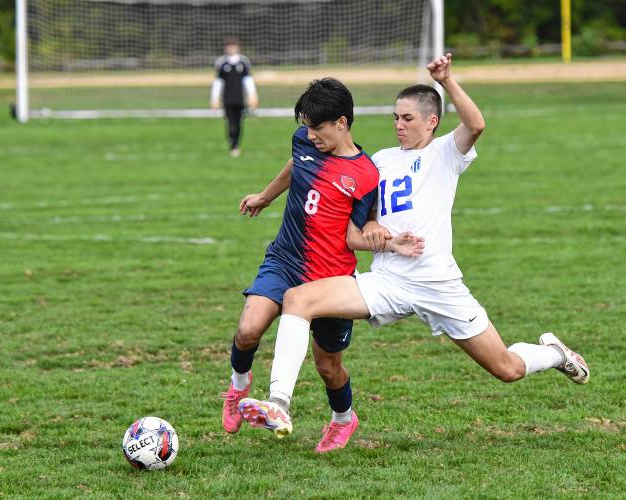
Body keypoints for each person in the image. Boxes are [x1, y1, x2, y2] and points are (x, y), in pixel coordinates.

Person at [239, 53, 590, 453]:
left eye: (407, 118)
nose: (398, 124)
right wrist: (373, 229)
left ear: (432, 121)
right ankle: (280, 404)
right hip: (387, 280)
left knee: (506, 369)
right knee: (298, 298)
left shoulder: (445, 154)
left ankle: (554, 353)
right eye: (395, 117)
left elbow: (476, 124)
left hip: (437, 283)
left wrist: (448, 81)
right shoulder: (380, 160)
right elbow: (362, 223)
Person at [221, 77, 424, 444]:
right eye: (306, 127)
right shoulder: (303, 141)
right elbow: (295, 165)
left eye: (318, 128)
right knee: (248, 330)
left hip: (330, 278)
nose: (310, 135)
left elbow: (353, 235)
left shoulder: (364, 175)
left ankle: (343, 418)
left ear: (342, 123)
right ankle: (238, 388)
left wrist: (386, 241)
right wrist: (266, 196)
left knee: (328, 367)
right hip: (285, 260)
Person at [211, 37, 258, 157]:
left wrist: (253, 96)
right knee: (230, 122)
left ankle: (237, 144)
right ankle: (233, 145)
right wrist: (214, 98)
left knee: (239, 122)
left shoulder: (243, 62)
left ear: (237, 47)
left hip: (240, 98)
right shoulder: (222, 63)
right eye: (228, 46)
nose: (231, 48)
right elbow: (218, 82)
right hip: (227, 99)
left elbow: (248, 81)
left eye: (233, 46)